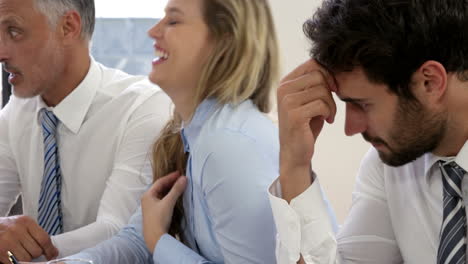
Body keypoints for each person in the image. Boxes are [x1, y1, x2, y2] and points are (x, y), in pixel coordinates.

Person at [42, 0, 281, 263]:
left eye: (173, 21)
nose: (153, 31)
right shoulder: (186, 134)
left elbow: (150, 237)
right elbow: (136, 239)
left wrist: (159, 240)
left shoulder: (229, 145)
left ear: (223, 41)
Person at [269, 0, 468, 263]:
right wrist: (294, 165)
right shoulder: (390, 167)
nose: (351, 128)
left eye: (362, 104)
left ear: (429, 82)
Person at [0, 0, 171, 262]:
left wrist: (14, 248)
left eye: (14, 32)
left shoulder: (142, 106)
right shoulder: (19, 110)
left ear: (68, 27)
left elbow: (120, 233)